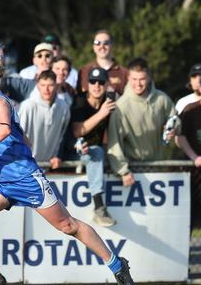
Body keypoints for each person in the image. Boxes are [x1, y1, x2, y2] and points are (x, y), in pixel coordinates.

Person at [0, 57, 133, 285]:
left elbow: (3, 128)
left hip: (26, 179)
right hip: (0, 180)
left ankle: (118, 266)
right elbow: (21, 136)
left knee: (68, 226)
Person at [107, 57, 176, 186]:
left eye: (142, 79)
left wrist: (174, 128)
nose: (138, 84)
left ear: (149, 78)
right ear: (128, 77)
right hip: (133, 171)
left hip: (159, 168)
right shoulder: (121, 107)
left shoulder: (162, 99)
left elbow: (174, 119)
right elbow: (114, 143)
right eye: (134, 79)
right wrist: (123, 171)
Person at [176, 71, 201, 279]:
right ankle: (182, 270)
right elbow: (179, 138)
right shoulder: (190, 111)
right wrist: (193, 157)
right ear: (200, 89)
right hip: (193, 174)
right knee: (186, 223)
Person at [70, 67, 117, 226]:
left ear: (107, 85)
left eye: (101, 82)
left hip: (94, 155)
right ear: (87, 84)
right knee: (96, 151)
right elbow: (77, 131)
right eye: (93, 81)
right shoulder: (79, 101)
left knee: (98, 152)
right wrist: (102, 113)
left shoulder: (109, 102)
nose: (97, 85)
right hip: (73, 150)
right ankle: (99, 206)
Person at [18, 70, 71, 170]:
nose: (46, 89)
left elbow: (62, 137)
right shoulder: (27, 106)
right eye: (43, 85)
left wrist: (57, 155)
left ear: (56, 85)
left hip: (49, 167)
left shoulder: (64, 107)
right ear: (38, 85)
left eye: (50, 85)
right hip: (25, 167)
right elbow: (18, 135)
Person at [78, 30, 128, 95]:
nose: (102, 46)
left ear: (112, 45)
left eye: (106, 43)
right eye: (97, 43)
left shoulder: (124, 73)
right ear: (93, 47)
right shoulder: (84, 71)